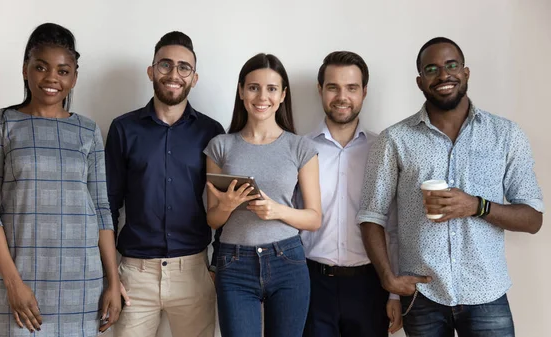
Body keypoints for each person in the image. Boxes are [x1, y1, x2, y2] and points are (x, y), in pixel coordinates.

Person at [358, 37, 544, 337]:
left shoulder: (506, 135)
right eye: (432, 69)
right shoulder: (395, 139)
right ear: (420, 81)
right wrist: (387, 278)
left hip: (487, 293)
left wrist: (476, 206)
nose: (443, 75)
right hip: (423, 295)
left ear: (466, 73)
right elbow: (371, 215)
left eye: (451, 65)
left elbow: (533, 219)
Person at [0, 23, 121, 336]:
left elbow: (101, 209)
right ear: (25, 69)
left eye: (63, 70)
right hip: (20, 284)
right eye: (41, 67)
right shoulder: (1, 123)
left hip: (82, 284)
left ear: (74, 76)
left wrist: (113, 281)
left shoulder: (87, 131)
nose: (52, 78)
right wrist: (12, 284)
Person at [105, 31, 224, 337]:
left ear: (194, 78)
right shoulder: (123, 128)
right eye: (165, 65)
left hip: (194, 272)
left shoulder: (211, 132)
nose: (174, 74)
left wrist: (215, 266)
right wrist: (110, 276)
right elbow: (106, 205)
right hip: (134, 274)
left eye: (184, 67)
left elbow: (222, 203)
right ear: (151, 71)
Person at [204, 53, 322, 337]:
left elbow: (314, 218)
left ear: (282, 95)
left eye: (271, 88)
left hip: (288, 261)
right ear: (242, 91)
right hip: (233, 262)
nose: (262, 96)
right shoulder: (220, 145)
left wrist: (278, 211)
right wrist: (228, 206)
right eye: (254, 87)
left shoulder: (300, 147)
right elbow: (213, 220)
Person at [301, 51, 402, 337]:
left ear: (364, 92)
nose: (342, 96)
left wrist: (393, 294)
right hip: (311, 283)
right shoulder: (300, 149)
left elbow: (393, 226)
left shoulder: (384, 150)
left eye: (352, 88)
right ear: (320, 90)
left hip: (369, 285)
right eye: (333, 87)